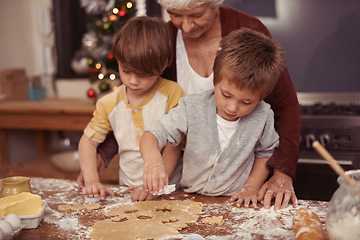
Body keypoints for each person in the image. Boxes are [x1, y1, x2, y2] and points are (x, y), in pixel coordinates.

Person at [80, 0, 300, 210]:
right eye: (175, 15)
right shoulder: (162, 38)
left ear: (214, 4)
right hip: (183, 182)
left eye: (196, 14)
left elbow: (285, 106)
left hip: (235, 184)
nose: (185, 26)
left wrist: (283, 173)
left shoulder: (249, 30)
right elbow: (139, 100)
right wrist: (101, 153)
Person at [141, 28, 285, 208]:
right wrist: (154, 162)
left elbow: (266, 153)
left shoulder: (263, 116)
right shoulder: (192, 107)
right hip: (188, 199)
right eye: (226, 95)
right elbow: (152, 134)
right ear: (215, 80)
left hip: (235, 203)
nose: (232, 108)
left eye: (247, 102)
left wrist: (251, 187)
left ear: (261, 96)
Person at [78, 16, 185, 201]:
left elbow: (175, 144)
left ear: (163, 64)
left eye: (143, 74)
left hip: (171, 192)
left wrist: (157, 185)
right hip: (128, 192)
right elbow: (88, 142)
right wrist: (92, 180)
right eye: (126, 71)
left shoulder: (172, 94)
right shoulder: (109, 103)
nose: (133, 81)